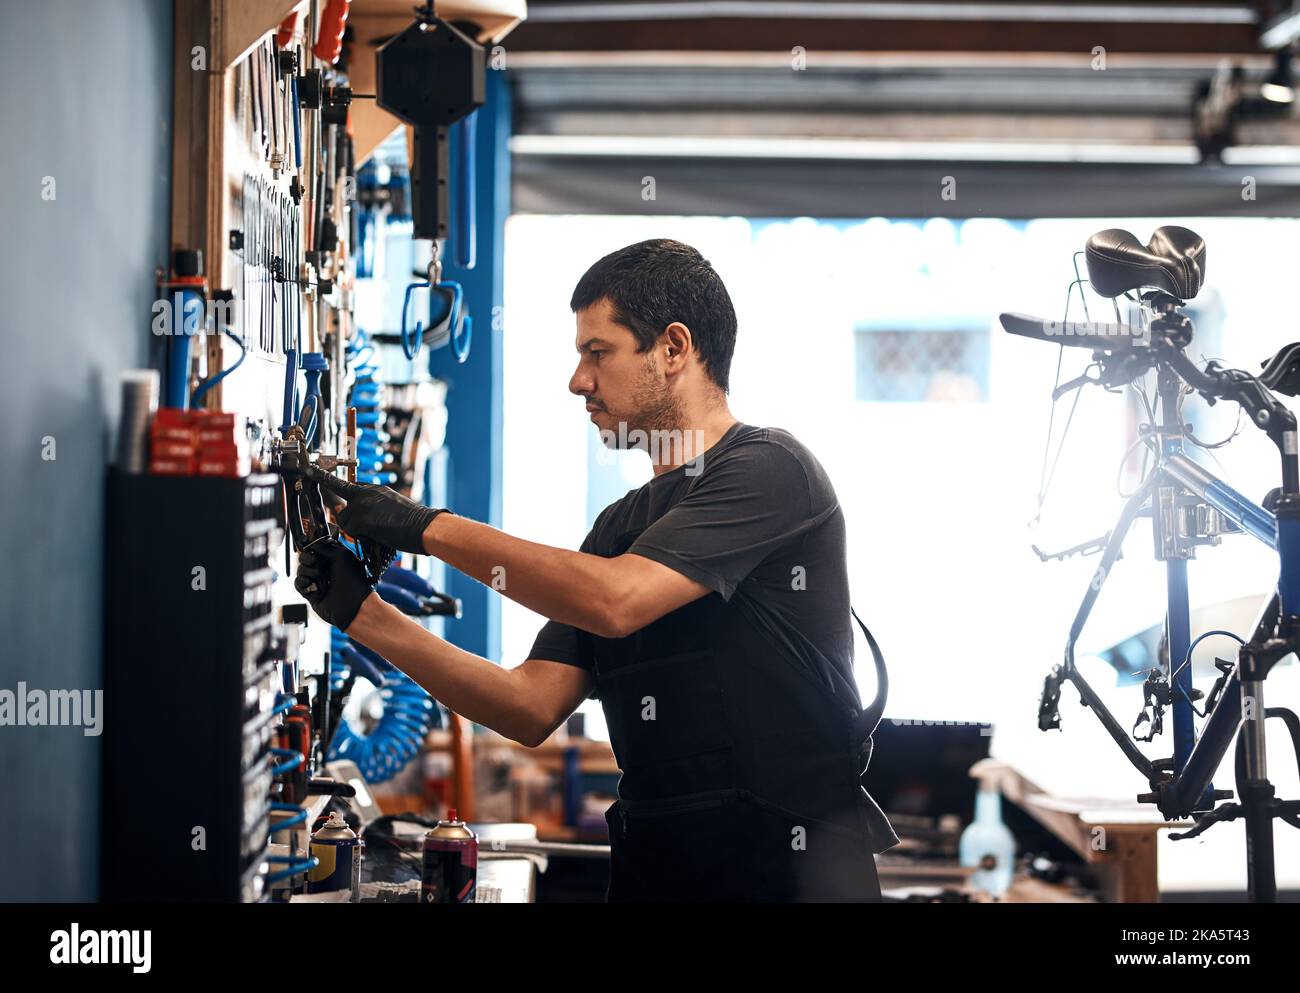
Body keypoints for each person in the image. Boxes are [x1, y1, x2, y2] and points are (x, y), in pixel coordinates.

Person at [296, 238, 898, 901]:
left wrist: (422, 527)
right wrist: (362, 614)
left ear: (674, 348)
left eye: (597, 352)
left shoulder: (771, 469)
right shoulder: (619, 526)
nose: (578, 380)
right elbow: (528, 705)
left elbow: (618, 600)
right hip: (660, 874)